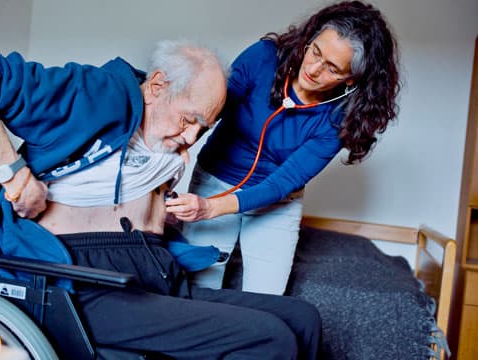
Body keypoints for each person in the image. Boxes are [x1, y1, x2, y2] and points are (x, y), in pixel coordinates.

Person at [0, 40, 321, 359]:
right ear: (157, 86)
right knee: (268, 338)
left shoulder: (159, 140)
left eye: (203, 128)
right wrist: (14, 173)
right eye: (189, 120)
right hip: (79, 282)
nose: (190, 139)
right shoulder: (92, 93)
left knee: (302, 319)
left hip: (149, 272)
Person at [167, 1, 401, 295]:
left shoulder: (341, 119)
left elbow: (282, 183)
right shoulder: (264, 58)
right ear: (311, 37)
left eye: (331, 68)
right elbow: (211, 110)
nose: (314, 69)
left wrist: (210, 208)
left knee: (266, 299)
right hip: (216, 178)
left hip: (276, 203)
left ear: (350, 79)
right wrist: (174, 152)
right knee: (198, 287)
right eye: (315, 51)